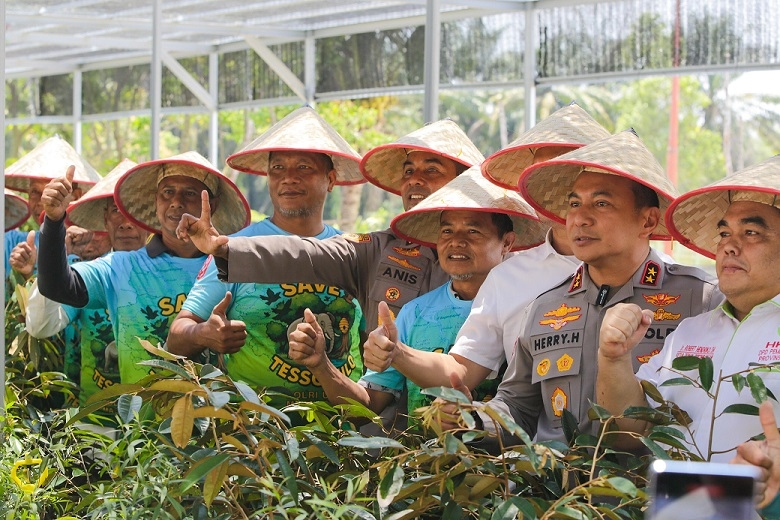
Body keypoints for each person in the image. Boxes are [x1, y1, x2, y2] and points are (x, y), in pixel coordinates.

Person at [436, 129, 722, 444]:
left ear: (648, 221)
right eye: (574, 204)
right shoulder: (545, 306)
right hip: (560, 488)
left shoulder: (701, 299)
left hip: (654, 488)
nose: (580, 218)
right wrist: (473, 418)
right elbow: (518, 406)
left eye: (601, 203)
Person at [362, 103, 610, 392]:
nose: (550, 184)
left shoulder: (651, 274)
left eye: (566, 171)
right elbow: (463, 369)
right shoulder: (510, 277)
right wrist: (398, 353)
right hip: (526, 436)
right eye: (539, 172)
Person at [288, 167, 547, 424]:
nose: (456, 241)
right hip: (419, 464)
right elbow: (367, 406)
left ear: (507, 242)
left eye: (473, 231)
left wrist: (398, 353)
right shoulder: (416, 312)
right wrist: (321, 364)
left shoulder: (530, 305)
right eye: (447, 231)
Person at [175, 118, 483, 330]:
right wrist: (226, 248)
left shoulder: (497, 255)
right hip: (387, 421)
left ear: (463, 182)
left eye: (431, 169)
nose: (415, 179)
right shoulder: (376, 249)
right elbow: (304, 253)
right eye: (408, 170)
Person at [167, 107, 365, 406]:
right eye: (277, 169)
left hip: (345, 433)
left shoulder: (354, 251)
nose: (288, 179)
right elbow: (175, 337)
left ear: (331, 179)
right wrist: (202, 334)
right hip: (258, 434)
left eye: (303, 168)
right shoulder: (232, 248)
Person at [596, 153, 780, 463]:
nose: (728, 246)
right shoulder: (690, 330)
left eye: (751, 233)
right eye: (724, 234)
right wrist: (613, 358)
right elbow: (629, 427)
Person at [36, 152, 249, 385]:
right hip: (140, 417)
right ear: (156, 201)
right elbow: (56, 286)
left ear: (212, 204)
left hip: (218, 416)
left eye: (190, 193)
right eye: (167, 192)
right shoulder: (120, 266)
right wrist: (54, 220)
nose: (176, 202)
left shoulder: (230, 263)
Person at [26, 159, 150, 404]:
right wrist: (56, 250)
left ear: (151, 217)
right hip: (93, 424)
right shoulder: (92, 275)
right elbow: (40, 326)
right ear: (105, 220)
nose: (125, 221)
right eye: (116, 210)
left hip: (154, 423)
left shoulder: (168, 272)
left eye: (134, 210)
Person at [4, 135, 101, 285]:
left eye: (54, 192)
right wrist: (22, 274)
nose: (43, 201)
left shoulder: (95, 247)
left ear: (75, 196)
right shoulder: (12, 243)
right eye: (35, 192)